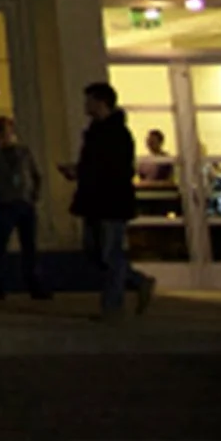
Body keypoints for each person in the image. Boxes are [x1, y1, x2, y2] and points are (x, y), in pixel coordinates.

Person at [61, 81, 157, 320]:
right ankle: (138, 281)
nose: (86, 105)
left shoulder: (117, 134)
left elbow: (116, 169)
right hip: (93, 201)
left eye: (89, 100)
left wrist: (83, 172)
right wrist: (79, 171)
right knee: (94, 251)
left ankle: (112, 307)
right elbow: (94, 164)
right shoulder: (95, 132)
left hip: (111, 202)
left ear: (101, 102)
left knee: (110, 253)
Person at [0, 113, 50, 300]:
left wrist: (34, 194)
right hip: (6, 203)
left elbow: (35, 173)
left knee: (30, 246)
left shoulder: (23, 152)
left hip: (24, 202)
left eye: (9, 131)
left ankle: (33, 283)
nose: (7, 135)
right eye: (3, 131)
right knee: (2, 245)